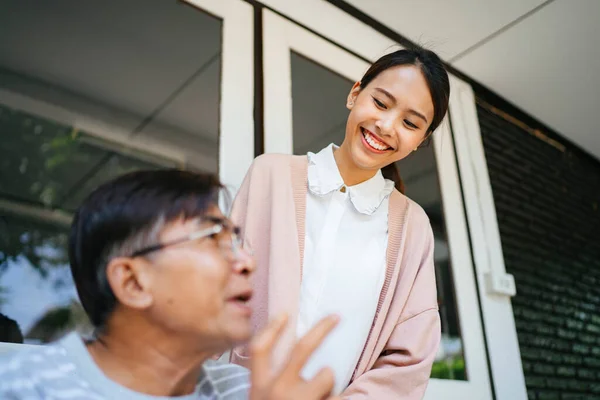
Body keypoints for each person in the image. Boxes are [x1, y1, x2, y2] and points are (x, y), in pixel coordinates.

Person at [0, 170, 341, 400]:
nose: (247, 263)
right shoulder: (22, 386)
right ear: (133, 283)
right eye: (212, 238)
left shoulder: (246, 392)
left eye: (236, 241)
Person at [230, 48, 450, 399]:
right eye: (381, 103)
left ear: (420, 141)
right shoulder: (269, 174)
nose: (387, 126)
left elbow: (408, 362)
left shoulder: (413, 227)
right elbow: (218, 293)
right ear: (355, 93)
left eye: (410, 123)